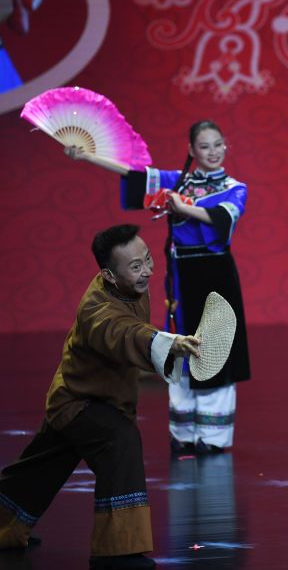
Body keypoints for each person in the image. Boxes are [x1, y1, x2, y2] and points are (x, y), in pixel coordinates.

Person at [0, 224, 200, 569]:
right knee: (120, 442)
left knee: (38, 469)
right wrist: (169, 344)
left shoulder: (128, 286)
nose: (147, 271)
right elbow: (124, 333)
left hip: (88, 394)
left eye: (148, 259)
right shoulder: (97, 309)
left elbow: (132, 335)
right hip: (80, 403)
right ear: (109, 274)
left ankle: (4, 525)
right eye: (136, 266)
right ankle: (117, 552)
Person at [66, 120, 250, 454]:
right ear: (191, 150)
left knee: (215, 346)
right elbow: (134, 175)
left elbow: (222, 219)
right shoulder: (179, 181)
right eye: (204, 146)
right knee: (180, 345)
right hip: (181, 273)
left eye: (218, 144)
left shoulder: (235, 187)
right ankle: (182, 431)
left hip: (216, 273)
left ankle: (213, 437)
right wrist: (87, 156)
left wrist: (184, 208)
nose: (213, 152)